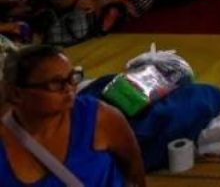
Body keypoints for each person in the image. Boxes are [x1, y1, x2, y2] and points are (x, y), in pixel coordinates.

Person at [0, 44, 147, 186]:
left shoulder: (99, 117)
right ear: (16, 93)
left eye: (72, 78)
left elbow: (135, 173)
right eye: (56, 83)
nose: (69, 88)